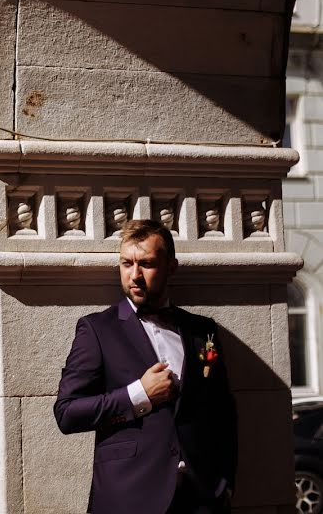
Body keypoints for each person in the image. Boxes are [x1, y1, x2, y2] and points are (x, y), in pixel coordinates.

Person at [54, 219, 237, 514]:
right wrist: (139, 394)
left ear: (171, 267)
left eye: (147, 264)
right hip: (129, 498)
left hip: (202, 499)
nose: (134, 276)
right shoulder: (98, 329)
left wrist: (225, 483)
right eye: (127, 264)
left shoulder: (203, 330)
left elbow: (223, 411)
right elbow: (67, 413)